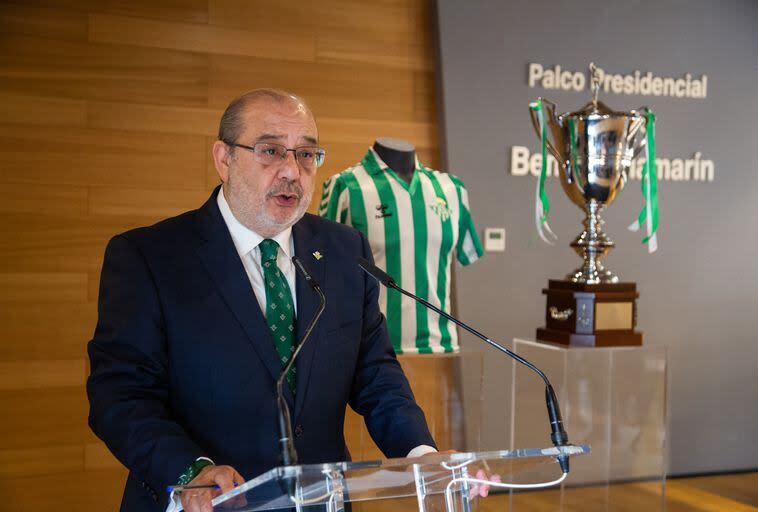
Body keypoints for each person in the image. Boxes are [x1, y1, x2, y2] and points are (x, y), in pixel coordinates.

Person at [86, 89, 438, 512]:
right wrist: (189, 470)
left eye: (306, 155)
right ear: (224, 159)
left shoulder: (345, 252)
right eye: (270, 151)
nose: (291, 171)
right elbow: (120, 396)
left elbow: (376, 376)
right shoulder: (150, 257)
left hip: (320, 502)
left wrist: (422, 455)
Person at [319, 139, 484, 354]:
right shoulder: (345, 186)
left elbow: (466, 253)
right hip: (370, 349)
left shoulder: (452, 189)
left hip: (440, 348)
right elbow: (324, 271)